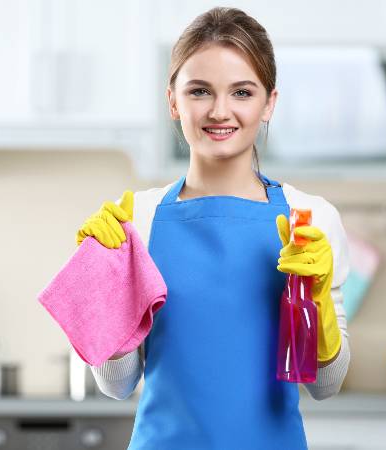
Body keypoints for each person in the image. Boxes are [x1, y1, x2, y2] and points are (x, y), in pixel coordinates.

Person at [75, 7, 350, 449]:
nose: (220, 112)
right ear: (173, 101)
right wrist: (108, 283)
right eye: (200, 91)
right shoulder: (138, 219)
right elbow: (116, 384)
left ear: (269, 103)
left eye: (242, 92)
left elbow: (326, 385)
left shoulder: (309, 218)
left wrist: (314, 298)